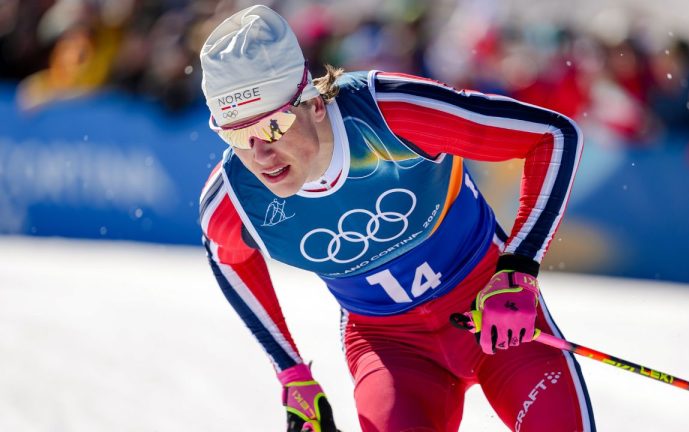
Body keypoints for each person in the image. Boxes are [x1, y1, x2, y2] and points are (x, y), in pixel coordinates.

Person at [198, 5, 594, 431]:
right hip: (390, 349)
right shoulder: (235, 199)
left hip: (491, 311)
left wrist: (518, 269)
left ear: (312, 103)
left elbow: (552, 136)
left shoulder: (391, 113)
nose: (259, 154)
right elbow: (228, 258)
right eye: (237, 134)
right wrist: (293, 374)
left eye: (273, 126)